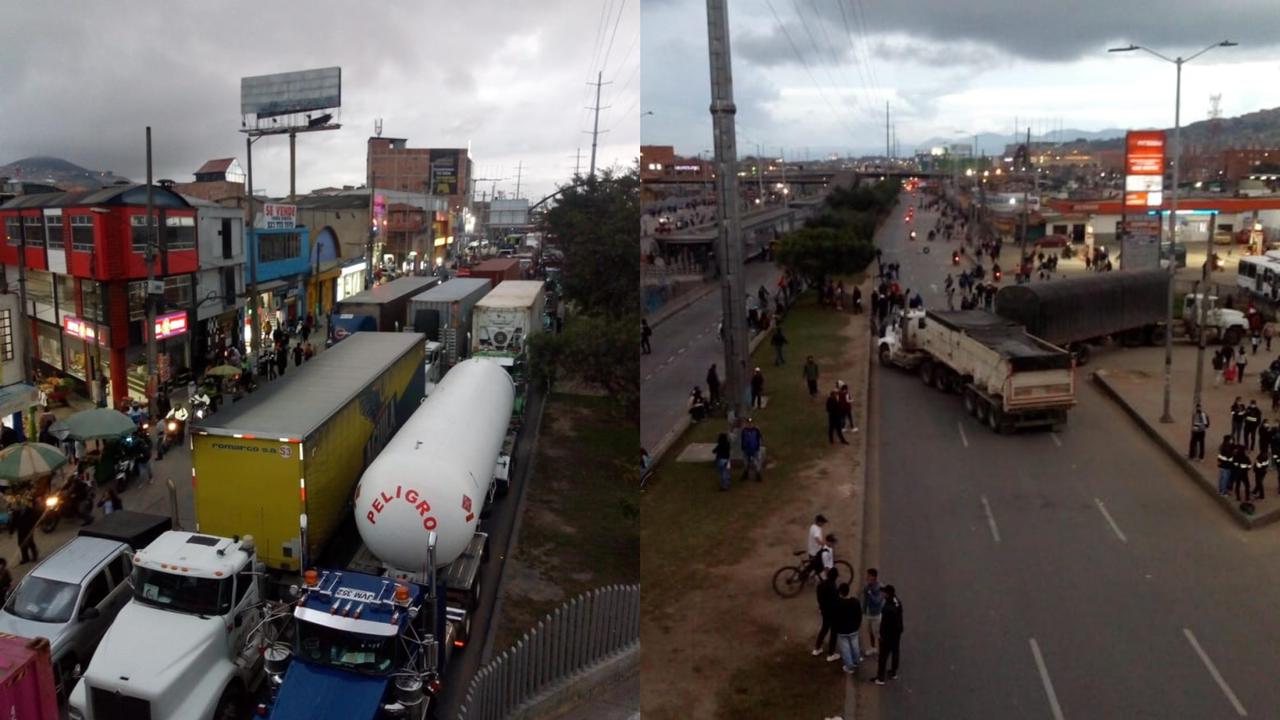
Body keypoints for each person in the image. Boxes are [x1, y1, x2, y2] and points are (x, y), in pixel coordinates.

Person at [873, 585, 903, 685]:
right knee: (895, 651)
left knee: (883, 656)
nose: (882, 594)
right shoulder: (897, 601)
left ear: (887, 594)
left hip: (888, 635)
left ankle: (880, 677)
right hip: (897, 632)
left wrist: (881, 635)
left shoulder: (887, 609)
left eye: (884, 592)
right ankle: (893, 672)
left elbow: (884, 624)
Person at [833, 582, 863, 674]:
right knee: (855, 646)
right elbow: (859, 615)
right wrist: (857, 625)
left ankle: (849, 667)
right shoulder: (855, 602)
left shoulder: (837, 604)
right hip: (853, 629)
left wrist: (836, 628)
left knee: (846, 649)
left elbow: (835, 618)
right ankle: (856, 661)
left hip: (842, 630)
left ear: (840, 592)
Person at [812, 568, 841, 662]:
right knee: (834, 632)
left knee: (824, 628)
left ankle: (817, 648)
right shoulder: (833, 586)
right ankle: (831, 654)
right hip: (833, 612)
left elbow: (819, 598)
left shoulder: (821, 585)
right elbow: (836, 600)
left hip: (824, 611)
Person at [862, 568, 884, 658]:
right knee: (870, 631)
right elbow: (865, 600)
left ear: (874, 577)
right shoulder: (867, 587)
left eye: (869, 576)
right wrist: (863, 611)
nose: (867, 578)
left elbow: (877, 601)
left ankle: (882, 650)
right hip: (868, 614)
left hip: (877, 614)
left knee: (878, 633)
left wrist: (870, 593)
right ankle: (873, 647)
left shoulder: (881, 587)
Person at [740, 418, 763, 482]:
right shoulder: (744, 430)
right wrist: (743, 448)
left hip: (755, 449)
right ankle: (746, 473)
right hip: (746, 449)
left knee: (756, 462)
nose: (749, 424)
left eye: (751, 423)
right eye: (748, 423)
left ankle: (758, 475)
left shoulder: (756, 430)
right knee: (746, 463)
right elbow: (742, 439)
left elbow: (760, 439)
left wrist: (758, 447)